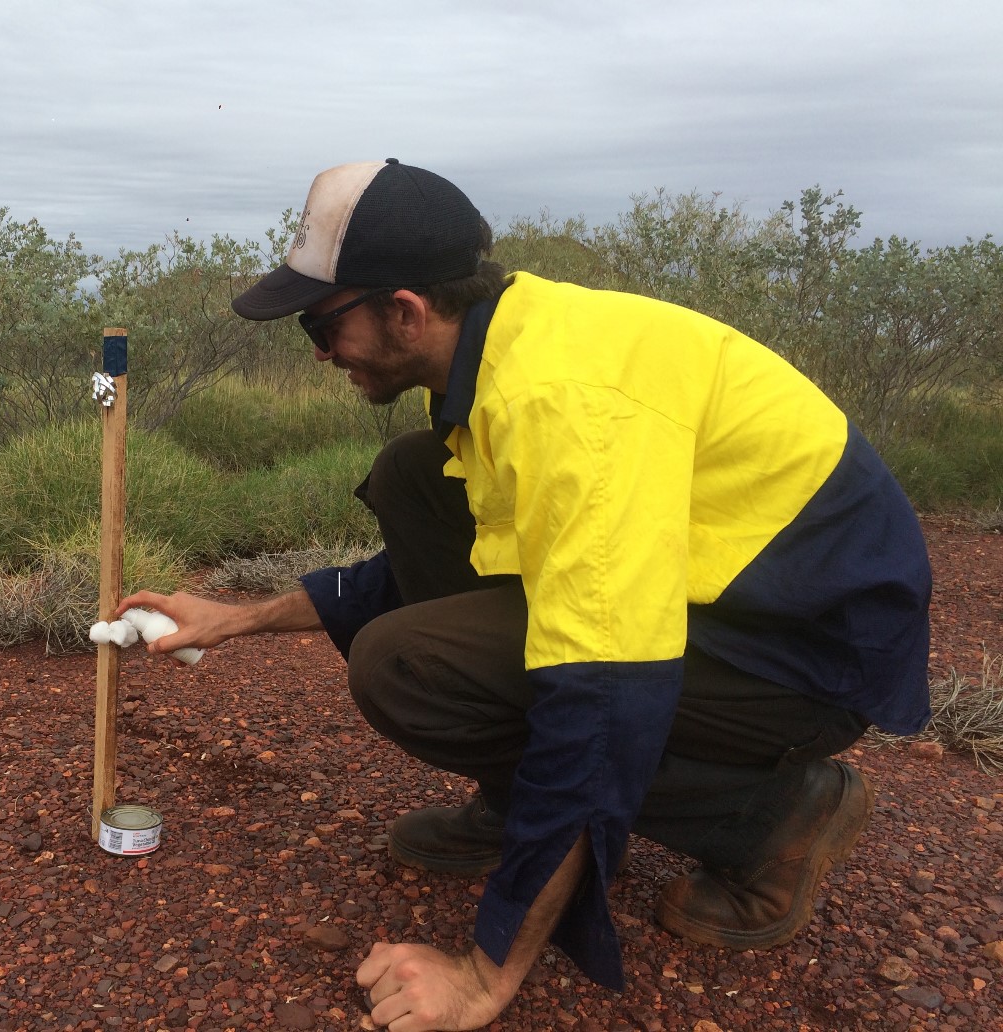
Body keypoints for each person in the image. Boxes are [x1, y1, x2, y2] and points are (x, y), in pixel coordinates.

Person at [117, 159, 932, 1031]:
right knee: (416, 479)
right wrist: (237, 619)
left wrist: (485, 969)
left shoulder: (559, 407)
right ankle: (522, 808)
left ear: (405, 310)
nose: (318, 354)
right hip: (729, 597)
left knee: (407, 666)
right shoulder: (505, 349)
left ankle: (773, 819)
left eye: (322, 325)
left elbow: (603, 694)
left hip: (801, 655)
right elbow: (467, 562)